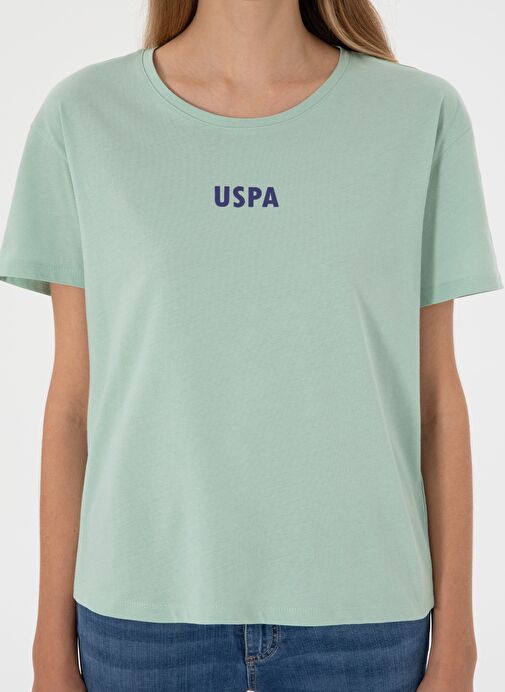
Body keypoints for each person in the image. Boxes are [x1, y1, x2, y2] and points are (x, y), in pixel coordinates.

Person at [0, 0, 502, 690]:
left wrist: (459, 648)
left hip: (364, 620)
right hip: (141, 621)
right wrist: (48, 651)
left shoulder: (419, 116)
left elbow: (437, 399)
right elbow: (72, 405)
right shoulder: (84, 117)